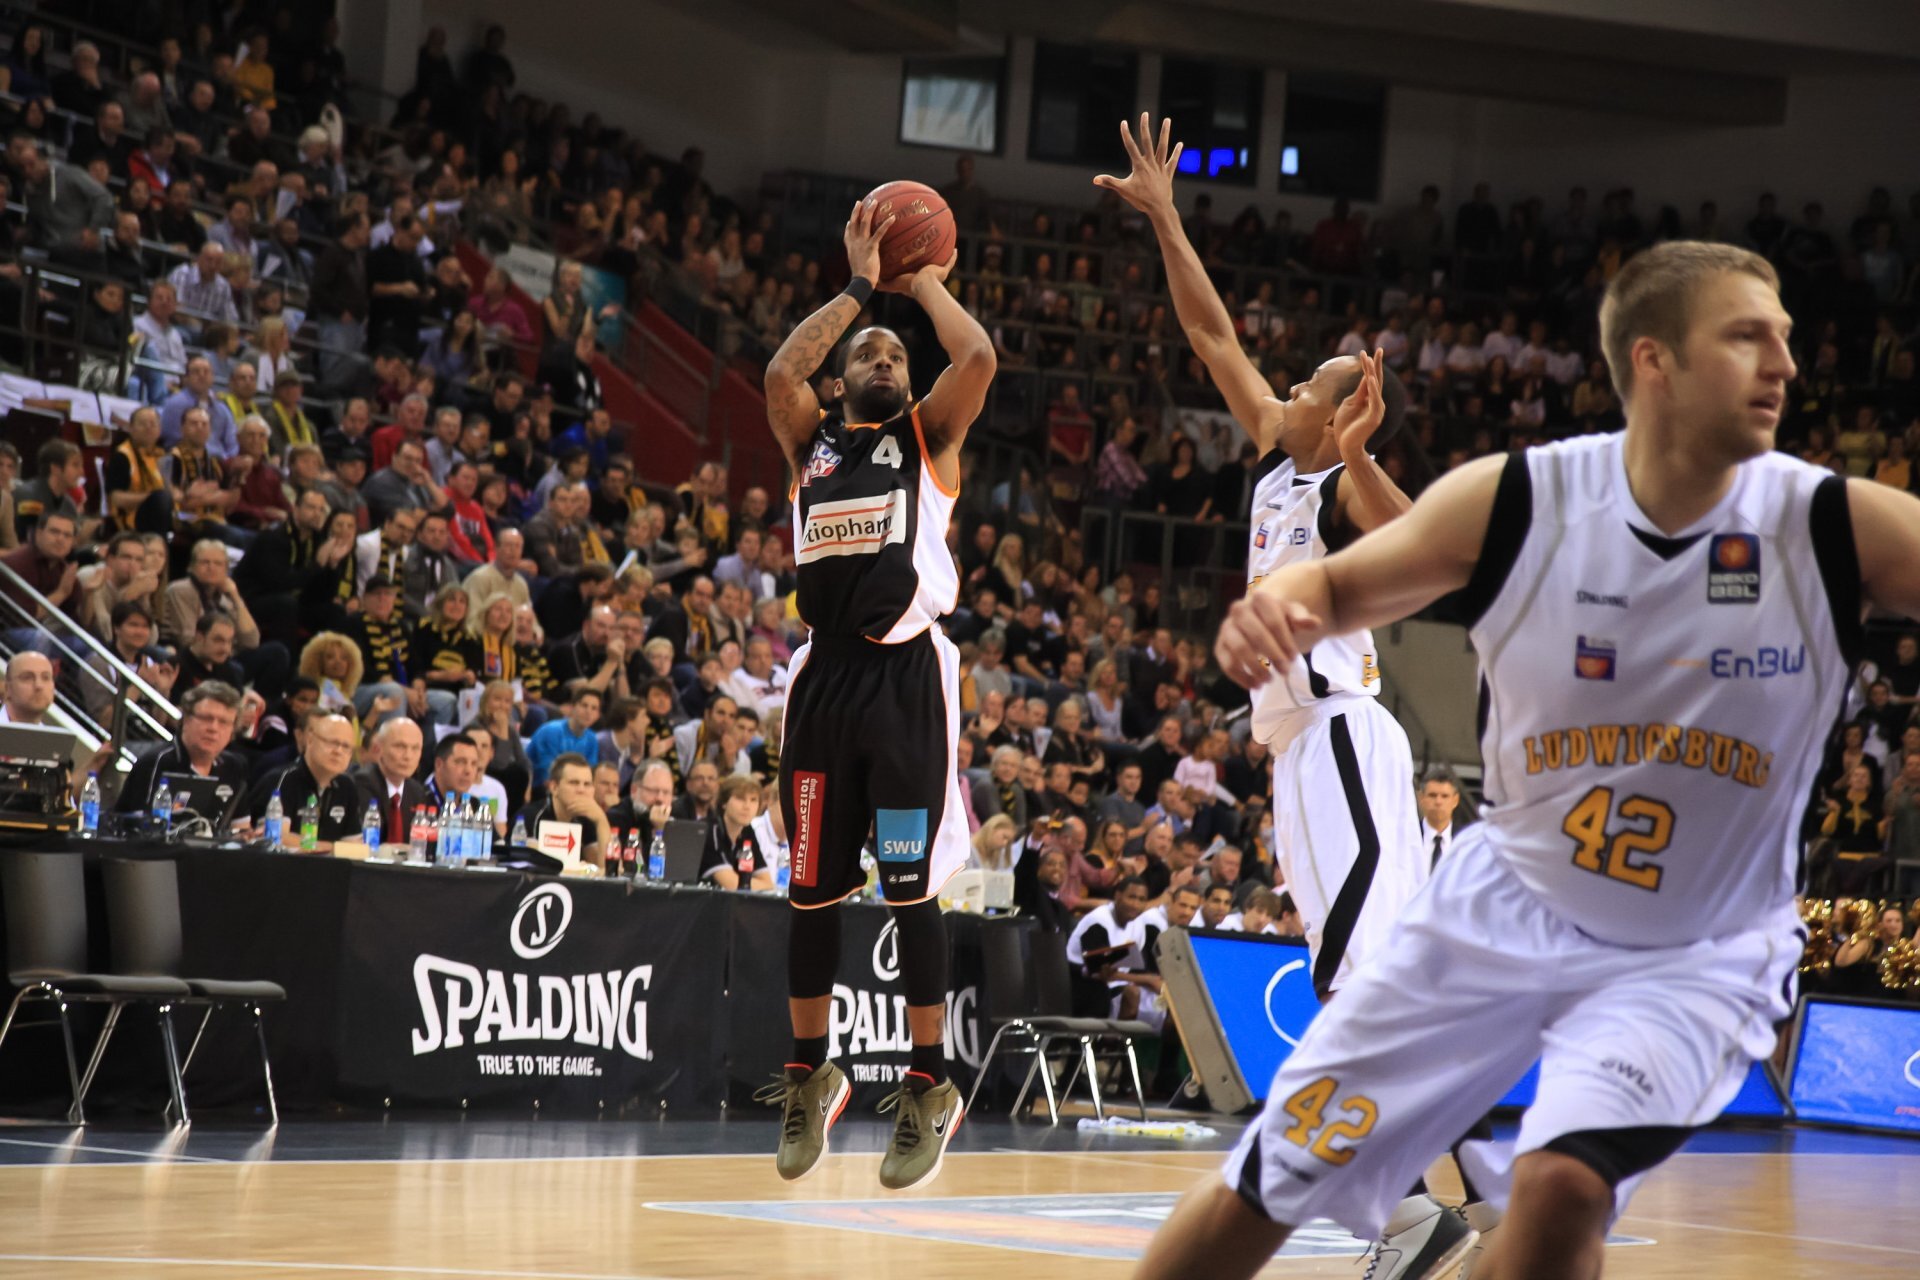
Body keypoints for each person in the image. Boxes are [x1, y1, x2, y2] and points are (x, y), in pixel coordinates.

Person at [1172, 239, 1902, 1280]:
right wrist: (1166, 217)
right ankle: (1464, 1189)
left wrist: (1358, 467)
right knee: (1346, 1058)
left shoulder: (1343, 481)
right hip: (1320, 760)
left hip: (1347, 735)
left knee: (1358, 972)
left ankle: (1417, 1210)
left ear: (1340, 418)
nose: (1282, 388)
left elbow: (1425, 555)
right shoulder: (1291, 464)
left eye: (1307, 386)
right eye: (1751, 337)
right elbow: (1212, 337)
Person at [755, 199, 995, 1188]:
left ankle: (929, 1082)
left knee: (907, 886)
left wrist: (923, 280)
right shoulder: (808, 442)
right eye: (870, 353)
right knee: (809, 884)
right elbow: (779, 374)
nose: (887, 360)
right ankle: (809, 1073)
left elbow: (976, 358)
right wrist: (860, 286)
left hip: (904, 680)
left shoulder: (929, 436)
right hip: (824, 679)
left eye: (897, 355)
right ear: (842, 377)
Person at [114, 680, 251, 825]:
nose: (213, 728)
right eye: (206, 718)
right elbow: (137, 828)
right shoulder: (156, 762)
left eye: (223, 722)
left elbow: (241, 828)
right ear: (186, 719)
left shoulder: (234, 766)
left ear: (232, 730)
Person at [244, 711, 366, 852]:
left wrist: (325, 848)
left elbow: (356, 848)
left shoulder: (347, 786)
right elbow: (276, 838)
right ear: (310, 740)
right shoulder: (283, 779)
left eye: (346, 747)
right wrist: (333, 848)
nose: (338, 751)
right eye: (332, 742)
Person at [516, 753, 610, 870]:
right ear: (554, 787)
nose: (581, 790)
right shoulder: (530, 817)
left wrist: (601, 820)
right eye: (574, 783)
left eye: (587, 784)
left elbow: (605, 867)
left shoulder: (587, 818)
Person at [700, 773, 777, 890]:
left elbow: (768, 883)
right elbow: (732, 885)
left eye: (753, 800)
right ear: (724, 802)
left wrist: (754, 884)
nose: (747, 806)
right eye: (740, 798)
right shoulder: (709, 831)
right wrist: (757, 884)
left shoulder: (747, 831)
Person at [527, 681, 602, 785]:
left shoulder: (592, 739)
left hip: (571, 787)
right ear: (572, 707)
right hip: (539, 787)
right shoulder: (551, 731)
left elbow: (589, 773)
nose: (588, 712)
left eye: (594, 708)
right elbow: (548, 775)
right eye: (584, 705)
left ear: (598, 716)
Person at [1417, 765, 1465, 867]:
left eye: (1445, 796)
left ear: (1455, 800)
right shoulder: (1409, 837)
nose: (1438, 802)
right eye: (1432, 795)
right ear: (1421, 798)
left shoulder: (1466, 841)